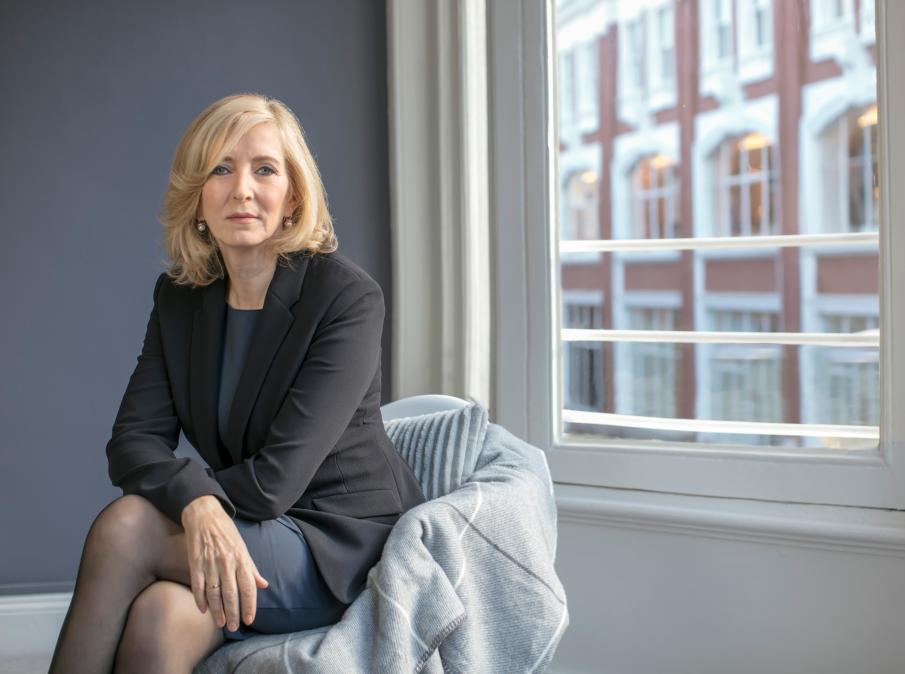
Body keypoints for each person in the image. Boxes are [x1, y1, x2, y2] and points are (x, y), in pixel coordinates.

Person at [48, 92, 427, 674]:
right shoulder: (180, 298)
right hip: (242, 526)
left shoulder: (346, 298)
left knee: (128, 528)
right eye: (220, 169)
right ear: (197, 195)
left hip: (336, 545)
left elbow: (275, 482)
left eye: (265, 169)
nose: (242, 189)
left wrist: (197, 500)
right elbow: (132, 443)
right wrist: (199, 503)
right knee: (162, 614)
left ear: (293, 195)